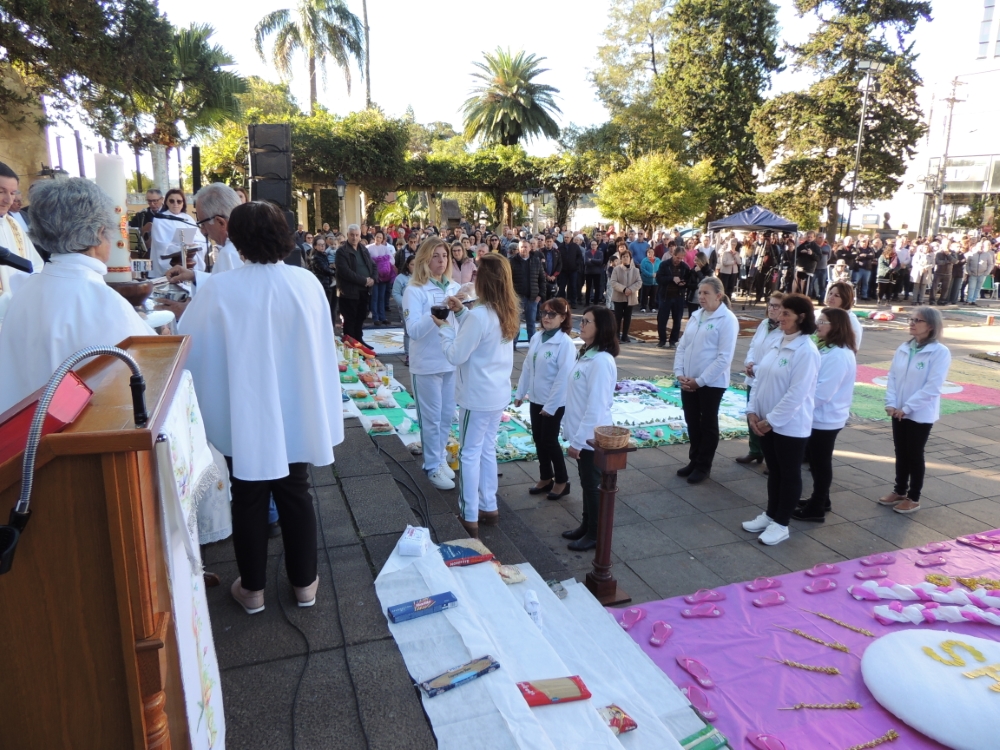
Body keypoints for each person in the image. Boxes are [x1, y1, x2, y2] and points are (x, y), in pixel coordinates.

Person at [178, 200, 344, 614]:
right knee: (296, 491)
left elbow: (191, 346)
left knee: (248, 495)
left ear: (237, 240)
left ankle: (252, 589)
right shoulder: (305, 282)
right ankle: (304, 584)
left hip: (245, 410)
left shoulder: (221, 288)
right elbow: (321, 345)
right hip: (295, 406)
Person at [0, 177, 156, 416]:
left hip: (18, 433)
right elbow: (149, 378)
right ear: (100, 233)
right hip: (79, 435)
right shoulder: (103, 302)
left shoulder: (24, 292)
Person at [435, 253, 518, 538]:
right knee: (486, 449)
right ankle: (488, 506)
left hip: (477, 395)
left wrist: (445, 330)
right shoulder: (504, 310)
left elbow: (456, 354)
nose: (472, 277)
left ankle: (469, 514)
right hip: (496, 393)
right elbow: (481, 335)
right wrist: (461, 313)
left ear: (484, 279)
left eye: (476, 273)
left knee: (469, 454)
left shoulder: (482, 315)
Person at [741, 294, 821, 546]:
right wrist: (752, 411)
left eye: (786, 313)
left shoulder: (806, 350)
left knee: (788, 473)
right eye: (780, 311)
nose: (780, 316)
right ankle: (771, 514)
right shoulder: (777, 341)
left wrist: (771, 421)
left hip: (789, 425)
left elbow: (797, 393)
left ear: (801, 317)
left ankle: (782, 523)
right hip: (765, 421)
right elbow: (759, 378)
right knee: (774, 470)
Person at [879, 307, 951, 514]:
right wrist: (891, 403)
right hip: (898, 410)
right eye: (911, 319)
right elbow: (892, 377)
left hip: (919, 413)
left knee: (914, 453)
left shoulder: (939, 352)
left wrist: (908, 408)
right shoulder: (904, 348)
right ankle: (900, 490)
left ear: (931, 326)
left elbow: (933, 387)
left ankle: (914, 497)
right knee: (900, 451)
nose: (912, 323)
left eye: (917, 320)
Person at [402, 237, 461, 490]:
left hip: (450, 360)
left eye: (445, 255)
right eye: (435, 256)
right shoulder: (414, 290)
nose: (441, 260)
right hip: (426, 364)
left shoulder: (454, 287)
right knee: (431, 419)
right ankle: (432, 465)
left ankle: (439, 458)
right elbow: (414, 331)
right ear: (425, 259)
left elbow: (460, 325)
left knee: (446, 416)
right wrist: (435, 313)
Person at [560, 307, 619, 551]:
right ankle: (587, 525)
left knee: (593, 485)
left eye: (587, 321)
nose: (581, 325)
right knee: (586, 482)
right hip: (582, 433)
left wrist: (579, 441)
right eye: (581, 320)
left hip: (591, 438)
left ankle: (595, 533)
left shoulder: (601, 361)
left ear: (601, 327)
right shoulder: (587, 354)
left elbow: (596, 407)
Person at [791, 307, 857, 522]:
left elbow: (823, 393)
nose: (817, 325)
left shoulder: (838, 355)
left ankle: (817, 506)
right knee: (816, 461)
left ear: (836, 326)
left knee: (820, 462)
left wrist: (798, 407)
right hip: (818, 415)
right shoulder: (827, 348)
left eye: (823, 322)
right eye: (818, 320)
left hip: (825, 417)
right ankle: (821, 499)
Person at [674, 277, 739, 484]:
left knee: (707, 423)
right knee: (692, 421)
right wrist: (679, 372)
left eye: (706, 293)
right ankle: (694, 460)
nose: (701, 297)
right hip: (689, 380)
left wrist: (700, 381)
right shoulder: (696, 315)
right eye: (699, 292)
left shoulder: (727, 319)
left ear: (718, 296)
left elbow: (724, 358)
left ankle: (704, 466)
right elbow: (683, 346)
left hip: (711, 383)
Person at [514, 297, 576, 500]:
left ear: (563, 317)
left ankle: (562, 480)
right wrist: (520, 393)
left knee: (549, 441)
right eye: (544, 313)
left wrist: (550, 406)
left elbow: (563, 378)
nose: (546, 317)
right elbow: (527, 367)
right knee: (539, 439)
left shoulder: (565, 344)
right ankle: (545, 477)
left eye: (552, 314)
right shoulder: (537, 337)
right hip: (536, 398)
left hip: (554, 402)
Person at [160, 183, 245, 318]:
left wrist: (187, 312)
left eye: (203, 223)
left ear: (220, 222)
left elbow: (226, 309)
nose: (203, 231)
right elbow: (224, 283)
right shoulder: (246, 244)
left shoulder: (230, 253)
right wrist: (194, 275)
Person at [735, 292, 784, 467]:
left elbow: (776, 356)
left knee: (767, 417)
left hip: (768, 378)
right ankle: (755, 450)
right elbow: (753, 346)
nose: (772, 308)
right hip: (753, 376)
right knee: (752, 414)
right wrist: (749, 362)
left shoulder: (784, 331)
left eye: (776, 306)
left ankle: (772, 459)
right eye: (770, 304)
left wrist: (755, 368)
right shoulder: (764, 324)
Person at [0, 161, 44, 323]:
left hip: (17, 314)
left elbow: (35, 265)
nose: (8, 200)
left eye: (12, 193)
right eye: (1, 191)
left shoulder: (13, 224)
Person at [148, 188, 202, 277]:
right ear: (166, 202)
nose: (175, 204)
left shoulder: (188, 219)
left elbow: (201, 240)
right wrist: (182, 246)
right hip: (172, 261)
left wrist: (194, 245)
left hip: (190, 259)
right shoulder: (159, 219)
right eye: (172, 201)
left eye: (179, 201)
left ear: (183, 203)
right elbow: (161, 245)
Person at [336, 224, 376, 343]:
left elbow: (373, 265)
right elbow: (345, 272)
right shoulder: (341, 251)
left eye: (357, 235)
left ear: (360, 236)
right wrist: (364, 280)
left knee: (361, 318)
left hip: (364, 291)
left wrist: (373, 278)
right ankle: (350, 345)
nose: (354, 238)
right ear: (347, 235)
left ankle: (359, 342)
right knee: (350, 320)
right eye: (352, 235)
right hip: (349, 292)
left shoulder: (363, 249)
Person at [509, 239, 546, 349]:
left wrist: (540, 295)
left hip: (532, 298)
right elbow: (508, 280)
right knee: (515, 323)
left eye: (526, 247)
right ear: (518, 249)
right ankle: (513, 345)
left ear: (530, 248)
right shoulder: (512, 262)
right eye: (521, 247)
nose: (523, 249)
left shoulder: (536, 261)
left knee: (531, 323)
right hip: (517, 298)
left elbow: (542, 279)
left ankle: (533, 346)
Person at [656, 247, 690, 348]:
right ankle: (662, 340)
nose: (679, 260)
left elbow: (688, 280)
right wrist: (672, 279)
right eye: (677, 257)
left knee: (677, 319)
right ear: (673, 255)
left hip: (678, 296)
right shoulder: (664, 264)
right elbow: (659, 279)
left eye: (681, 258)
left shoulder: (684, 267)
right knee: (662, 319)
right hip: (665, 296)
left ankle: (673, 340)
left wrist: (684, 283)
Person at [609, 247, 642, 343]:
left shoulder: (635, 270)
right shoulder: (616, 269)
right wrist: (624, 289)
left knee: (628, 317)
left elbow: (639, 282)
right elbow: (613, 282)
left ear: (630, 258)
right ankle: (616, 335)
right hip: (619, 297)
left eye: (627, 256)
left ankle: (625, 335)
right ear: (621, 258)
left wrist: (631, 289)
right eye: (623, 257)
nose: (625, 258)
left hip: (630, 297)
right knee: (618, 317)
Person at [366, 230, 394, 326]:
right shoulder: (368, 248)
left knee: (381, 297)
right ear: (374, 237)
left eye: (380, 237)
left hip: (383, 277)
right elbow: (366, 261)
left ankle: (382, 317)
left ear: (383, 239)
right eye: (377, 237)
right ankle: (375, 317)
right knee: (374, 297)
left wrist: (383, 264)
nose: (378, 239)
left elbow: (392, 260)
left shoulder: (385, 248)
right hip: (373, 276)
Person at [825, 281, 862, 351]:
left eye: (836, 296)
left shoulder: (851, 320)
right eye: (830, 293)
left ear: (845, 298)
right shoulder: (823, 314)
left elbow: (854, 346)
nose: (831, 297)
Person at [310, 235, 337, 329]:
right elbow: (325, 269)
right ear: (315, 246)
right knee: (326, 309)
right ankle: (326, 329)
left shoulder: (325, 255)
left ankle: (332, 329)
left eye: (323, 244)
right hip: (323, 286)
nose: (322, 246)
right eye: (320, 245)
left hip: (330, 284)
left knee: (333, 309)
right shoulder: (316, 257)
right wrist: (336, 273)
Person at [392, 255, 414, 365]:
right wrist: (405, 303)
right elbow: (396, 293)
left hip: (420, 309)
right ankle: (409, 355)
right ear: (407, 265)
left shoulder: (424, 277)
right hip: (406, 309)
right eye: (412, 264)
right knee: (408, 331)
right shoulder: (400, 278)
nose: (415, 267)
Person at [965, 239, 996, 306]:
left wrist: (986, 272)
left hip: (982, 274)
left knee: (978, 288)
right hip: (973, 274)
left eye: (982, 246)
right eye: (979, 246)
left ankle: (974, 300)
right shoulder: (972, 254)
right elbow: (968, 264)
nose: (981, 247)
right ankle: (969, 300)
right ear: (976, 247)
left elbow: (990, 264)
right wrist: (969, 272)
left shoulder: (987, 255)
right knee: (971, 287)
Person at [557, 233, 583, 305]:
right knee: (562, 287)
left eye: (567, 237)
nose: (566, 239)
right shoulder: (560, 246)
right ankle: (561, 302)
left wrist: (576, 264)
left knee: (573, 286)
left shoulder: (575, 246)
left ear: (571, 238)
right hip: (563, 270)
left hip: (573, 270)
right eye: (565, 237)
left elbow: (579, 256)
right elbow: (558, 257)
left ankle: (573, 302)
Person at [686, 252, 710, 317]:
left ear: (702, 260)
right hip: (693, 298)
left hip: (705, 299)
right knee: (692, 317)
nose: (695, 262)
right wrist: (698, 285)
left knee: (704, 318)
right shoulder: (693, 270)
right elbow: (689, 284)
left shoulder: (709, 271)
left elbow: (705, 282)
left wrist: (699, 272)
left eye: (697, 260)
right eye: (694, 260)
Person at [582, 238, 605, 305]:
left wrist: (591, 260)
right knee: (588, 287)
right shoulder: (587, 252)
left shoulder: (600, 253)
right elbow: (586, 262)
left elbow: (600, 262)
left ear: (597, 245)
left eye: (595, 245)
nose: (593, 246)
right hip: (588, 272)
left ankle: (596, 302)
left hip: (597, 272)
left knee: (597, 287)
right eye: (592, 245)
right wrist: (595, 261)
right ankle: (587, 302)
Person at [639, 247, 659, 312]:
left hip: (655, 282)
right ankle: (643, 307)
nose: (650, 253)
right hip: (646, 282)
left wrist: (656, 274)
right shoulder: (644, 261)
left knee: (653, 295)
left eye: (652, 252)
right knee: (644, 295)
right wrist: (651, 275)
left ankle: (652, 307)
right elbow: (643, 270)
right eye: (649, 252)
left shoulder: (658, 260)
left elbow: (660, 268)